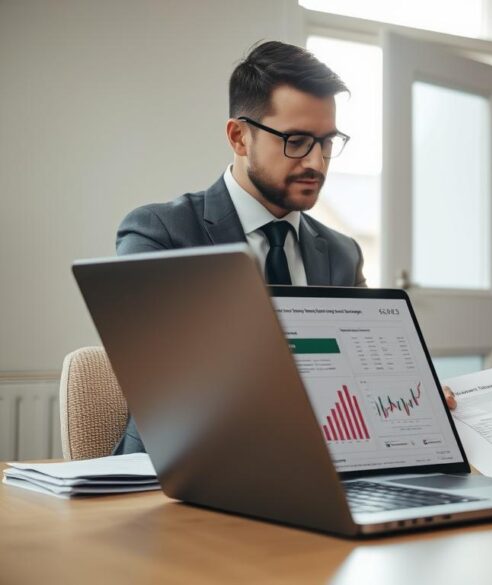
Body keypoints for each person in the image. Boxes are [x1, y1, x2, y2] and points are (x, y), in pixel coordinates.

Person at [112, 41, 455, 454]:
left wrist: (416, 392)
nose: (316, 162)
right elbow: (162, 376)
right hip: (181, 472)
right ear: (239, 137)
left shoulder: (343, 254)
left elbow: (368, 376)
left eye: (327, 142)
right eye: (296, 141)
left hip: (319, 472)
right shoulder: (161, 233)